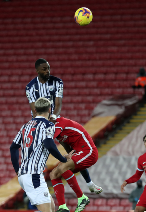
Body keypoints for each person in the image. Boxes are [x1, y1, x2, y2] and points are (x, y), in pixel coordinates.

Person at [25, 58, 100, 195]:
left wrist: (53, 117)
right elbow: (34, 109)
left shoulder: (57, 82)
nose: (47, 71)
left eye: (48, 68)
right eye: (44, 69)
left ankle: (89, 184)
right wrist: (42, 124)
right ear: (37, 70)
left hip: (55, 121)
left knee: (75, 153)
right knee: (46, 147)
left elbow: (58, 104)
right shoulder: (30, 87)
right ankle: (39, 177)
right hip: (41, 122)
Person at [10, 97, 72, 212]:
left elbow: (13, 147)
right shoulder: (48, 125)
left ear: (35, 110)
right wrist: (63, 159)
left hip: (26, 174)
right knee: (45, 211)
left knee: (50, 209)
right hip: (33, 174)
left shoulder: (25, 126)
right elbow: (49, 144)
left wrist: (17, 169)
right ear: (50, 110)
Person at [49, 116, 102, 212]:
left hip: (89, 151)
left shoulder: (60, 123)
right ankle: (62, 207)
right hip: (80, 153)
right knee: (53, 174)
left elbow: (48, 140)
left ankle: (81, 197)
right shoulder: (59, 135)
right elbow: (70, 152)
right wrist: (89, 183)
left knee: (62, 167)